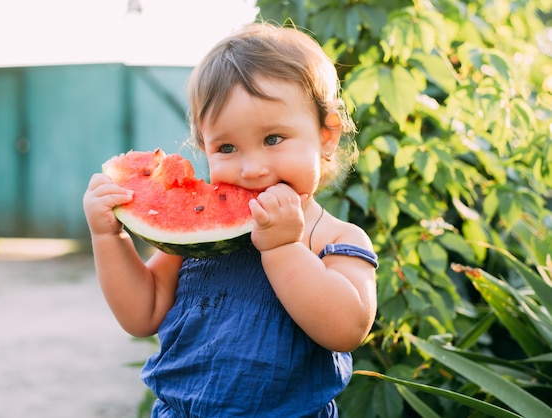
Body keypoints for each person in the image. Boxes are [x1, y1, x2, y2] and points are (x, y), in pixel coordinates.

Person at [83, 22, 378, 417]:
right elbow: (142, 314)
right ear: (205, 148)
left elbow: (346, 328)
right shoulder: (197, 245)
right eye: (227, 147)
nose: (253, 168)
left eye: (273, 138)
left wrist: (284, 248)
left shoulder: (335, 237)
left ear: (326, 135)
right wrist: (109, 239)